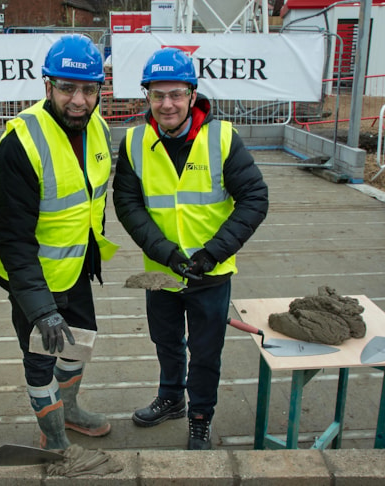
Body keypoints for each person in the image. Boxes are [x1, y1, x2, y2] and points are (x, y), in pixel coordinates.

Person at [112, 48, 269, 450]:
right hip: (161, 270)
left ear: (193, 94)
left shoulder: (223, 138)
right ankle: (171, 398)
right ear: (146, 96)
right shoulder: (133, 142)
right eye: (158, 95)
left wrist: (213, 252)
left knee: (204, 352)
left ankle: (200, 416)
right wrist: (164, 250)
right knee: (165, 341)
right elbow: (128, 204)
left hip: (210, 274)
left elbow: (254, 198)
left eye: (177, 94)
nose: (167, 104)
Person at [0, 34, 119, 450]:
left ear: (101, 89)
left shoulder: (98, 128)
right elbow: (13, 241)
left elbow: (90, 200)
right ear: (47, 86)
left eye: (88, 89)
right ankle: (55, 438)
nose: (78, 100)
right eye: (67, 88)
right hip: (31, 277)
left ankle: (71, 409)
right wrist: (42, 310)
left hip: (76, 267)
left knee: (80, 343)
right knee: (41, 359)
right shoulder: (21, 143)